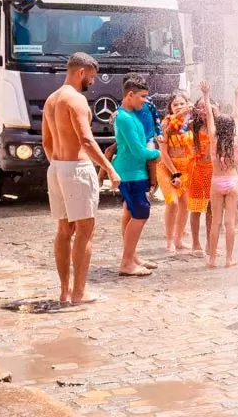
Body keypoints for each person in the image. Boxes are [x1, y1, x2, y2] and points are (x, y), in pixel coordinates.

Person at [43, 53, 120, 305]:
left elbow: (46, 142)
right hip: (77, 169)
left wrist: (59, 165)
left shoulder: (51, 100)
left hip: (56, 167)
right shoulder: (75, 100)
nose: (93, 82)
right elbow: (86, 140)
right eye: (91, 76)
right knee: (85, 232)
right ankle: (79, 293)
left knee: (64, 231)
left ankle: (64, 292)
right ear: (81, 72)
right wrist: (109, 168)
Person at [114, 74, 162, 277]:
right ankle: (126, 263)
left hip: (132, 172)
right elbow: (137, 150)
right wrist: (159, 154)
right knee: (141, 214)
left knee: (130, 213)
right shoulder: (124, 118)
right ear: (130, 94)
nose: (145, 100)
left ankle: (131, 256)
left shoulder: (129, 114)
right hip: (132, 174)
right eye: (142, 96)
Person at [207, 84, 238, 268]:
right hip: (232, 181)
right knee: (230, 223)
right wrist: (237, 97)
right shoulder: (235, 140)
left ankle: (212, 259)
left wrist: (206, 95)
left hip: (216, 181)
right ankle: (229, 258)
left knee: (216, 223)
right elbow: (237, 116)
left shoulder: (213, 141)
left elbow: (208, 117)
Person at [157, 90, 195, 253]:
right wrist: (174, 173)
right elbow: (163, 154)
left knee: (185, 205)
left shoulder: (192, 123)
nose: (179, 107)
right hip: (167, 168)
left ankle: (179, 240)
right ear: (170, 108)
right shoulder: (166, 124)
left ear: (188, 104)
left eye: (182, 103)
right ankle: (169, 241)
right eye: (175, 104)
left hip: (186, 168)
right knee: (172, 203)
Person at [188, 81, 215, 256]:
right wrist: (188, 110)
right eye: (200, 108)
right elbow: (174, 123)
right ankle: (195, 243)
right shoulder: (191, 126)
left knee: (211, 209)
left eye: (206, 108)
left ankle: (210, 244)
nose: (203, 111)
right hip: (197, 172)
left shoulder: (216, 127)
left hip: (213, 172)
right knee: (196, 209)